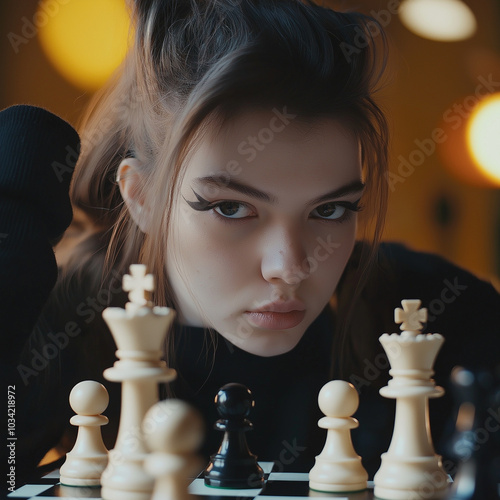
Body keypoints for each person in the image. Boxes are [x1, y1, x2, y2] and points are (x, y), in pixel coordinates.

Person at [10, 0, 500, 489]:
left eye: (330, 210)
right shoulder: (60, 322)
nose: (288, 267)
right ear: (140, 197)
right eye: (230, 208)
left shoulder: (439, 311)